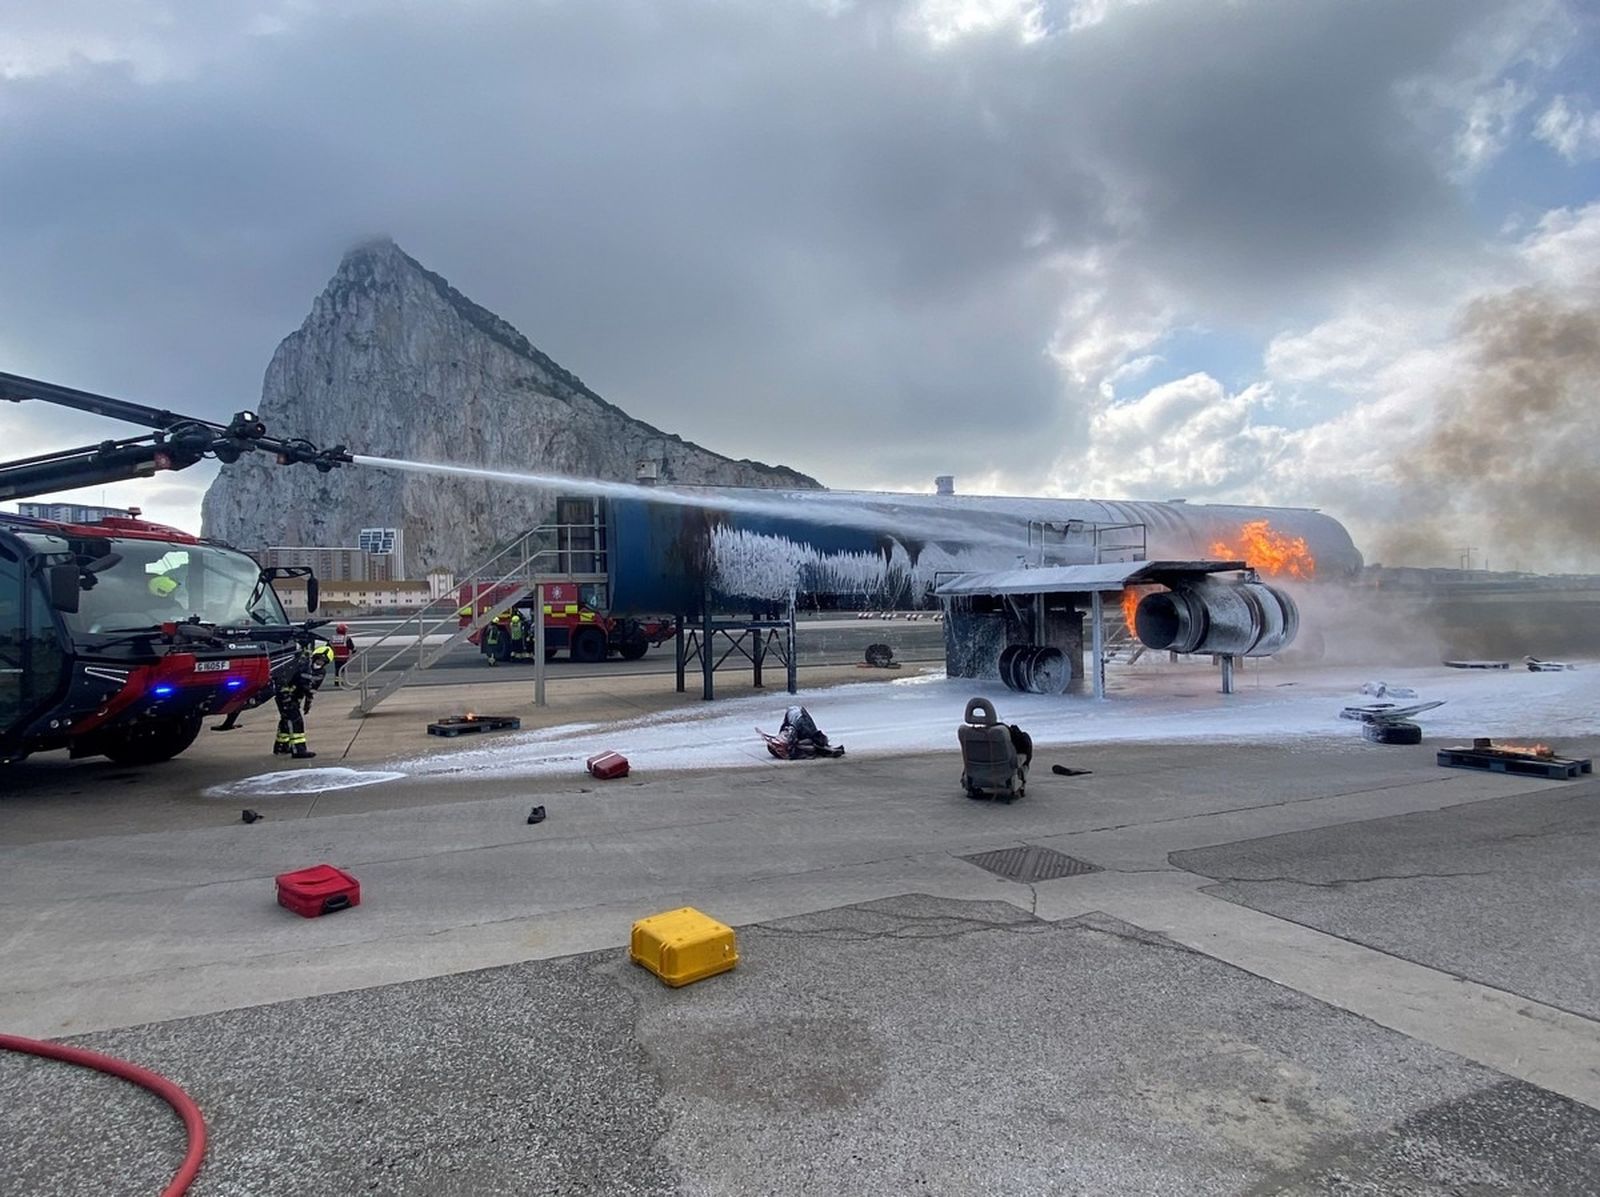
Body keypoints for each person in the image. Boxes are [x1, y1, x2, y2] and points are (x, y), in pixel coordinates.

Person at [274, 639, 330, 759]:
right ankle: (299, 750)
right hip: (286, 695)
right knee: (296, 721)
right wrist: (286, 695)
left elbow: (311, 690)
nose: (319, 663)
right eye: (318, 659)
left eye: (322, 662)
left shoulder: (320, 673)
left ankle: (281, 746)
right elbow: (287, 679)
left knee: (286, 720)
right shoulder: (301, 664)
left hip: (294, 697)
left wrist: (307, 704)